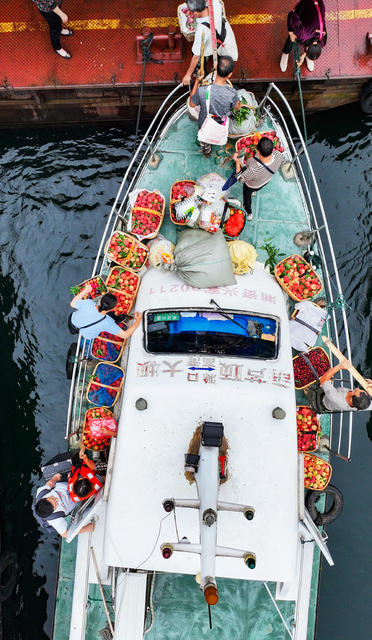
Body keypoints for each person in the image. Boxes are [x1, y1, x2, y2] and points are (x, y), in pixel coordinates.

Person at [189, 55, 240, 156]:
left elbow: (191, 103)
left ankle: (207, 152)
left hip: (204, 123)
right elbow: (237, 107)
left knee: (204, 141)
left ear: (216, 69)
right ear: (230, 75)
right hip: (221, 125)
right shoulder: (232, 93)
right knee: (218, 136)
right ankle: (217, 141)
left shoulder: (203, 91)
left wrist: (197, 82)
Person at [182, 0, 238, 86]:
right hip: (222, 34)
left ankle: (201, 74)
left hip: (212, 44)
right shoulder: (215, 3)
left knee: (199, 55)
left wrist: (187, 74)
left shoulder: (201, 31)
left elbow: (196, 56)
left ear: (196, 13)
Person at [232, 136, 285, 221]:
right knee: (257, 187)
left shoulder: (253, 170)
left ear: (258, 151)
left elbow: (240, 178)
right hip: (265, 180)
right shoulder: (278, 155)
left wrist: (237, 161)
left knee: (247, 197)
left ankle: (249, 212)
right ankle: (254, 192)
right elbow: (282, 160)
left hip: (250, 185)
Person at [70, 283, 142, 341]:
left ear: (100, 300)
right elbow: (125, 335)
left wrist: (85, 290)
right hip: (86, 334)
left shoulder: (89, 303)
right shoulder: (108, 322)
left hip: (72, 320)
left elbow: (72, 304)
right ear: (112, 309)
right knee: (106, 324)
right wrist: (138, 321)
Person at [35, 471, 95, 537]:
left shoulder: (41, 492)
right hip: (76, 496)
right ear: (52, 511)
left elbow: (50, 483)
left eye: (52, 498)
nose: (56, 499)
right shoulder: (55, 520)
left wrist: (56, 477)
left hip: (68, 484)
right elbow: (64, 534)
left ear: (44, 498)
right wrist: (87, 528)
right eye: (56, 504)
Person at [305, 359, 372, 413]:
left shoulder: (336, 398)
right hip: (331, 393)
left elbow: (323, 380)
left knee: (309, 390)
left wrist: (339, 367)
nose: (357, 388)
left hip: (321, 400)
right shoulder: (362, 404)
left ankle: (307, 394)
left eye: (355, 391)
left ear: (351, 400)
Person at [280, 0, 327, 73]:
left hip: (318, 3)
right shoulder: (302, 34)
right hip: (304, 6)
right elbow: (291, 15)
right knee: (292, 37)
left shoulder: (322, 40)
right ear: (307, 48)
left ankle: (308, 55)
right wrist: (291, 33)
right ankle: (286, 52)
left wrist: (304, 55)